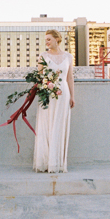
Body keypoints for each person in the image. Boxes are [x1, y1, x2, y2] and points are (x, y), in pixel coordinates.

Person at [33, 29, 75, 173]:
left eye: (49, 39)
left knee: (59, 125)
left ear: (57, 39)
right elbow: (38, 76)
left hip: (63, 94)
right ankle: (45, 162)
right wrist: (46, 85)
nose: (47, 42)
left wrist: (72, 96)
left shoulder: (68, 57)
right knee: (47, 125)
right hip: (48, 94)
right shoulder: (43, 56)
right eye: (46, 40)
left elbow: (69, 77)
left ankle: (57, 163)